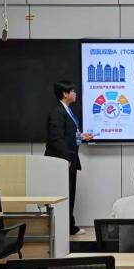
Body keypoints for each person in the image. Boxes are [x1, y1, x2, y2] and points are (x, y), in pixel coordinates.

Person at [45, 80, 93, 235]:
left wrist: (81, 136)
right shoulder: (57, 112)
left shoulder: (67, 110)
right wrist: (66, 159)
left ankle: (69, 226)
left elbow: (68, 134)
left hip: (69, 158)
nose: (75, 93)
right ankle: (65, 228)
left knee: (70, 193)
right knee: (64, 194)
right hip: (63, 161)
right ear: (65, 94)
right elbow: (56, 138)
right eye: (73, 91)